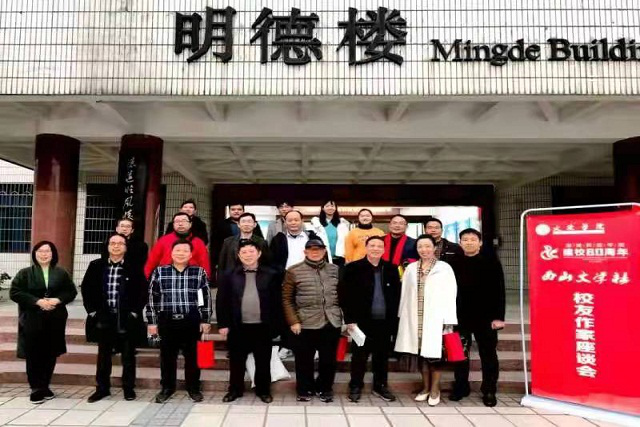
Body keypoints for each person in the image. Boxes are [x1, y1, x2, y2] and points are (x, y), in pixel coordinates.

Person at [81, 233, 147, 403]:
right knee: (103, 356)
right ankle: (102, 388)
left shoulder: (134, 267)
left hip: (126, 317)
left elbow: (142, 292)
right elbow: (87, 289)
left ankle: (128, 388)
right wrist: (92, 312)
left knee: (128, 355)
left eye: (120, 243)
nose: (116, 246)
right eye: (113, 243)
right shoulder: (96, 265)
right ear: (107, 246)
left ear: (126, 247)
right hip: (104, 317)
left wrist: (135, 312)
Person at [9, 241, 77, 404]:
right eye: (40, 251)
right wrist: (37, 301)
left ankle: (45, 386)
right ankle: (36, 388)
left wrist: (57, 300)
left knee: (50, 352)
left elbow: (71, 291)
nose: (44, 254)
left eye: (47, 251)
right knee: (33, 353)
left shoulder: (61, 273)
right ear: (34, 254)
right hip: (32, 318)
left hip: (55, 319)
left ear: (53, 254)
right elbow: (15, 292)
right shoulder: (25, 273)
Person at [216, 240, 283, 404]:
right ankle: (235, 390)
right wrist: (223, 324)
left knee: (263, 360)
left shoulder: (271, 274)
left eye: (251, 251)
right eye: (244, 252)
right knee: (236, 361)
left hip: (263, 326)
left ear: (259, 253)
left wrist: (277, 325)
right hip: (237, 326)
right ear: (239, 255)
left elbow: (277, 301)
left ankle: (263, 390)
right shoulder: (229, 274)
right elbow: (222, 301)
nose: (248, 255)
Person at [146, 240, 212, 403]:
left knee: (193, 357)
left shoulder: (199, 272)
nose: (181, 253)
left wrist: (205, 319)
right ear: (171, 253)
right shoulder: (160, 272)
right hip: (167, 320)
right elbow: (153, 298)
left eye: (185, 251)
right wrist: (152, 322)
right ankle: (167, 388)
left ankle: (193, 388)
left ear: (191, 254)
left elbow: (204, 297)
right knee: (167, 357)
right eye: (177, 250)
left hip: (191, 320)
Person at [395, 235, 457, 406]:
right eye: (420, 246)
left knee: (434, 354)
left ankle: (435, 389)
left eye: (428, 246)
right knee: (420, 353)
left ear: (434, 248)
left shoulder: (444, 268)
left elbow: (451, 294)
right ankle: (425, 387)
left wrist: (448, 319)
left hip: (436, 316)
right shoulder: (410, 268)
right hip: (414, 317)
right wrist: (402, 316)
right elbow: (404, 294)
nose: (424, 250)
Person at [339, 236, 401, 403]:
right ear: (366, 248)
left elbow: (397, 296)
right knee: (359, 356)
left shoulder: (391, 268)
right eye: (372, 245)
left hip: (384, 322)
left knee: (382, 356)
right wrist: (349, 319)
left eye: (379, 246)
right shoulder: (353, 268)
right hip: (361, 322)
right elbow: (344, 295)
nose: (375, 248)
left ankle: (380, 386)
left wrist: (395, 321)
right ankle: (355, 385)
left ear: (384, 249)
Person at [449, 228, 505, 407]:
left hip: (486, 317)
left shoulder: (491, 262)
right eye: (465, 239)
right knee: (459, 353)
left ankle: (489, 389)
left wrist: (499, 317)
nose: (469, 242)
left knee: (488, 354)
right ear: (460, 243)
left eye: (473, 239)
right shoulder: (452, 263)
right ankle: (461, 386)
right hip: (459, 316)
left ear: (480, 243)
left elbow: (499, 290)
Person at [282, 238, 342, 403]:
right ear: (305, 252)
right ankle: (304, 388)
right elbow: (286, 298)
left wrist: (343, 318)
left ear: (324, 251)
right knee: (304, 360)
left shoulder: (334, 270)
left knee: (328, 360)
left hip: (331, 321)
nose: (315, 252)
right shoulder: (294, 271)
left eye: (319, 249)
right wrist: (293, 321)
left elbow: (342, 294)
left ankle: (325, 388)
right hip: (305, 322)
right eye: (311, 249)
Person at [144, 212, 211, 279]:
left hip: (191, 278)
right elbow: (152, 261)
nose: (180, 224)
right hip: (166, 277)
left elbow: (204, 264)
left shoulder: (198, 242)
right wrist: (149, 278)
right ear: (173, 225)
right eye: (177, 221)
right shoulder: (163, 240)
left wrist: (204, 279)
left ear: (190, 224)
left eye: (184, 221)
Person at [212, 203, 263, 269]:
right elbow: (216, 245)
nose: (236, 211)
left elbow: (260, 242)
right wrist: (216, 262)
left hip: (250, 260)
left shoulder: (252, 225)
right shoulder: (221, 225)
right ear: (229, 211)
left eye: (239, 209)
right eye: (233, 209)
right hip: (230, 260)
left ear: (243, 211)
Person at [310, 200, 350, 267]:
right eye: (327, 206)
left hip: (339, 257)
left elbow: (347, 240)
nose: (330, 208)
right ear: (323, 208)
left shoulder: (342, 223)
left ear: (335, 208)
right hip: (323, 257)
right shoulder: (317, 223)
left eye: (332, 206)